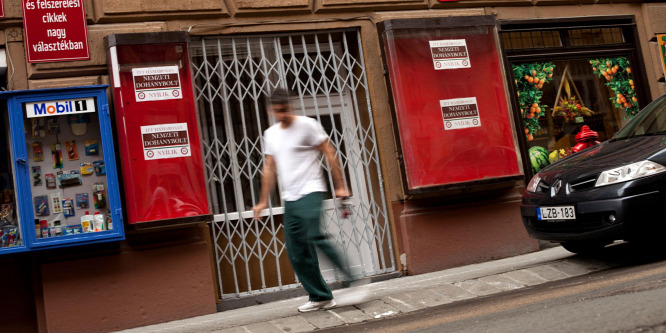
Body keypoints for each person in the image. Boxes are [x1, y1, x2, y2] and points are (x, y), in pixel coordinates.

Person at [252, 88, 352, 312]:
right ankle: (320, 296)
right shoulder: (271, 134)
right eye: (277, 111)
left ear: (291, 106)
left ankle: (352, 278)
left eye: (285, 109)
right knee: (296, 251)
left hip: (312, 190)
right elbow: (269, 169)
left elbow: (329, 153)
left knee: (314, 234)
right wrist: (261, 202)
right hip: (291, 198)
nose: (282, 114)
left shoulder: (307, 125)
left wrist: (340, 186)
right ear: (271, 110)